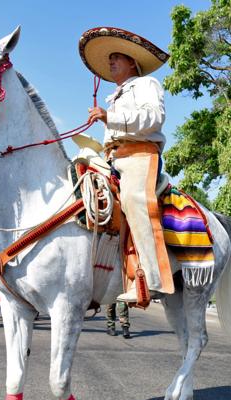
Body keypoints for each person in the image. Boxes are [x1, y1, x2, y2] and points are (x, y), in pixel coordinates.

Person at [82, 26, 172, 302]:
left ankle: (152, 279)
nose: (110, 62)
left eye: (116, 57)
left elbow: (154, 119)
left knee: (134, 200)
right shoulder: (117, 94)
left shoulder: (147, 85)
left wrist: (111, 118)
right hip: (115, 157)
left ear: (132, 61)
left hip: (140, 156)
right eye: (109, 59)